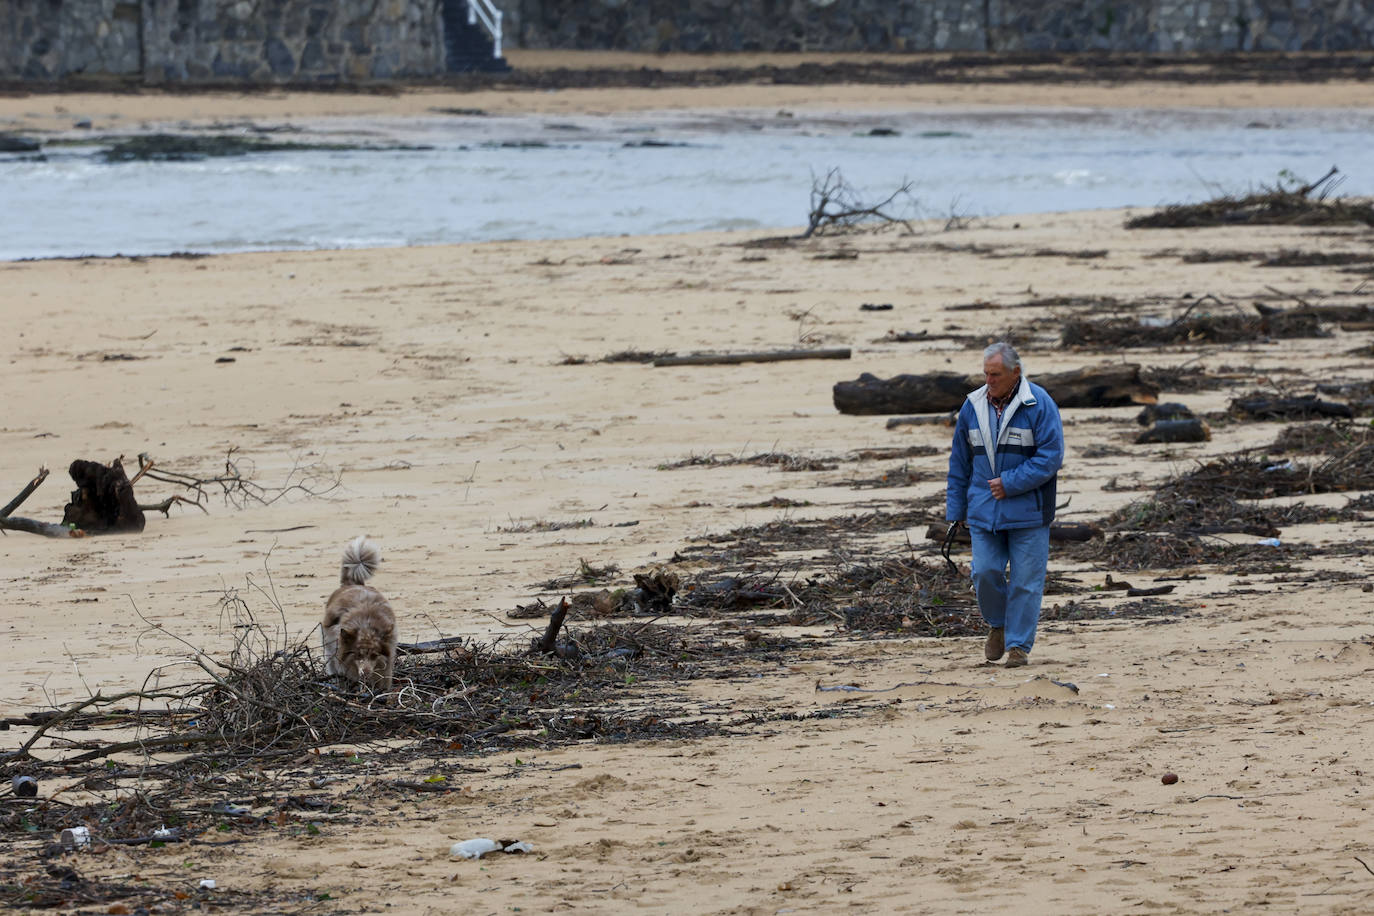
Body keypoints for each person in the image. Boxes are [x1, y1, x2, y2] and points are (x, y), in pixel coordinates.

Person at [945, 342, 1064, 667]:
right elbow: (959, 462)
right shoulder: (972, 405)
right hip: (983, 512)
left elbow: (1051, 456)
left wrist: (1010, 483)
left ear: (1015, 373)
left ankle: (1018, 647)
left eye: (995, 374)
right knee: (984, 572)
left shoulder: (1039, 403)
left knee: (1026, 582)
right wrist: (955, 512)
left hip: (1030, 513)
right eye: (985, 374)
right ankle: (997, 624)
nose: (989, 381)